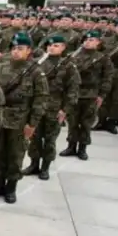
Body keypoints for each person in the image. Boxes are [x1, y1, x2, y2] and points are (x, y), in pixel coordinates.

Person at [0, 33, 47, 204]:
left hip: (20, 120)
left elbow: (40, 99)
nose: (16, 52)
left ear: (29, 51)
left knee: (15, 154)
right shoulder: (1, 67)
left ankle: (11, 187)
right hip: (0, 118)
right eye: (14, 48)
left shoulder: (36, 73)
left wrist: (32, 123)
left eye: (20, 49)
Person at [23, 36, 78, 180]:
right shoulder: (37, 63)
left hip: (54, 108)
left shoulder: (68, 66)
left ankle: (45, 167)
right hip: (36, 108)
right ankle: (34, 164)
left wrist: (65, 110)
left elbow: (72, 89)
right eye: (49, 45)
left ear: (63, 47)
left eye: (56, 45)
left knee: (50, 139)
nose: (51, 47)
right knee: (34, 138)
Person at [59, 31, 112, 161]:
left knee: (86, 123)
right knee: (72, 122)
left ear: (98, 42)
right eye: (87, 40)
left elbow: (107, 78)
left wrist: (102, 95)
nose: (88, 42)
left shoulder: (102, 58)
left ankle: (82, 148)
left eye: (92, 40)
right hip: (74, 94)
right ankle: (71, 146)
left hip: (91, 94)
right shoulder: (73, 56)